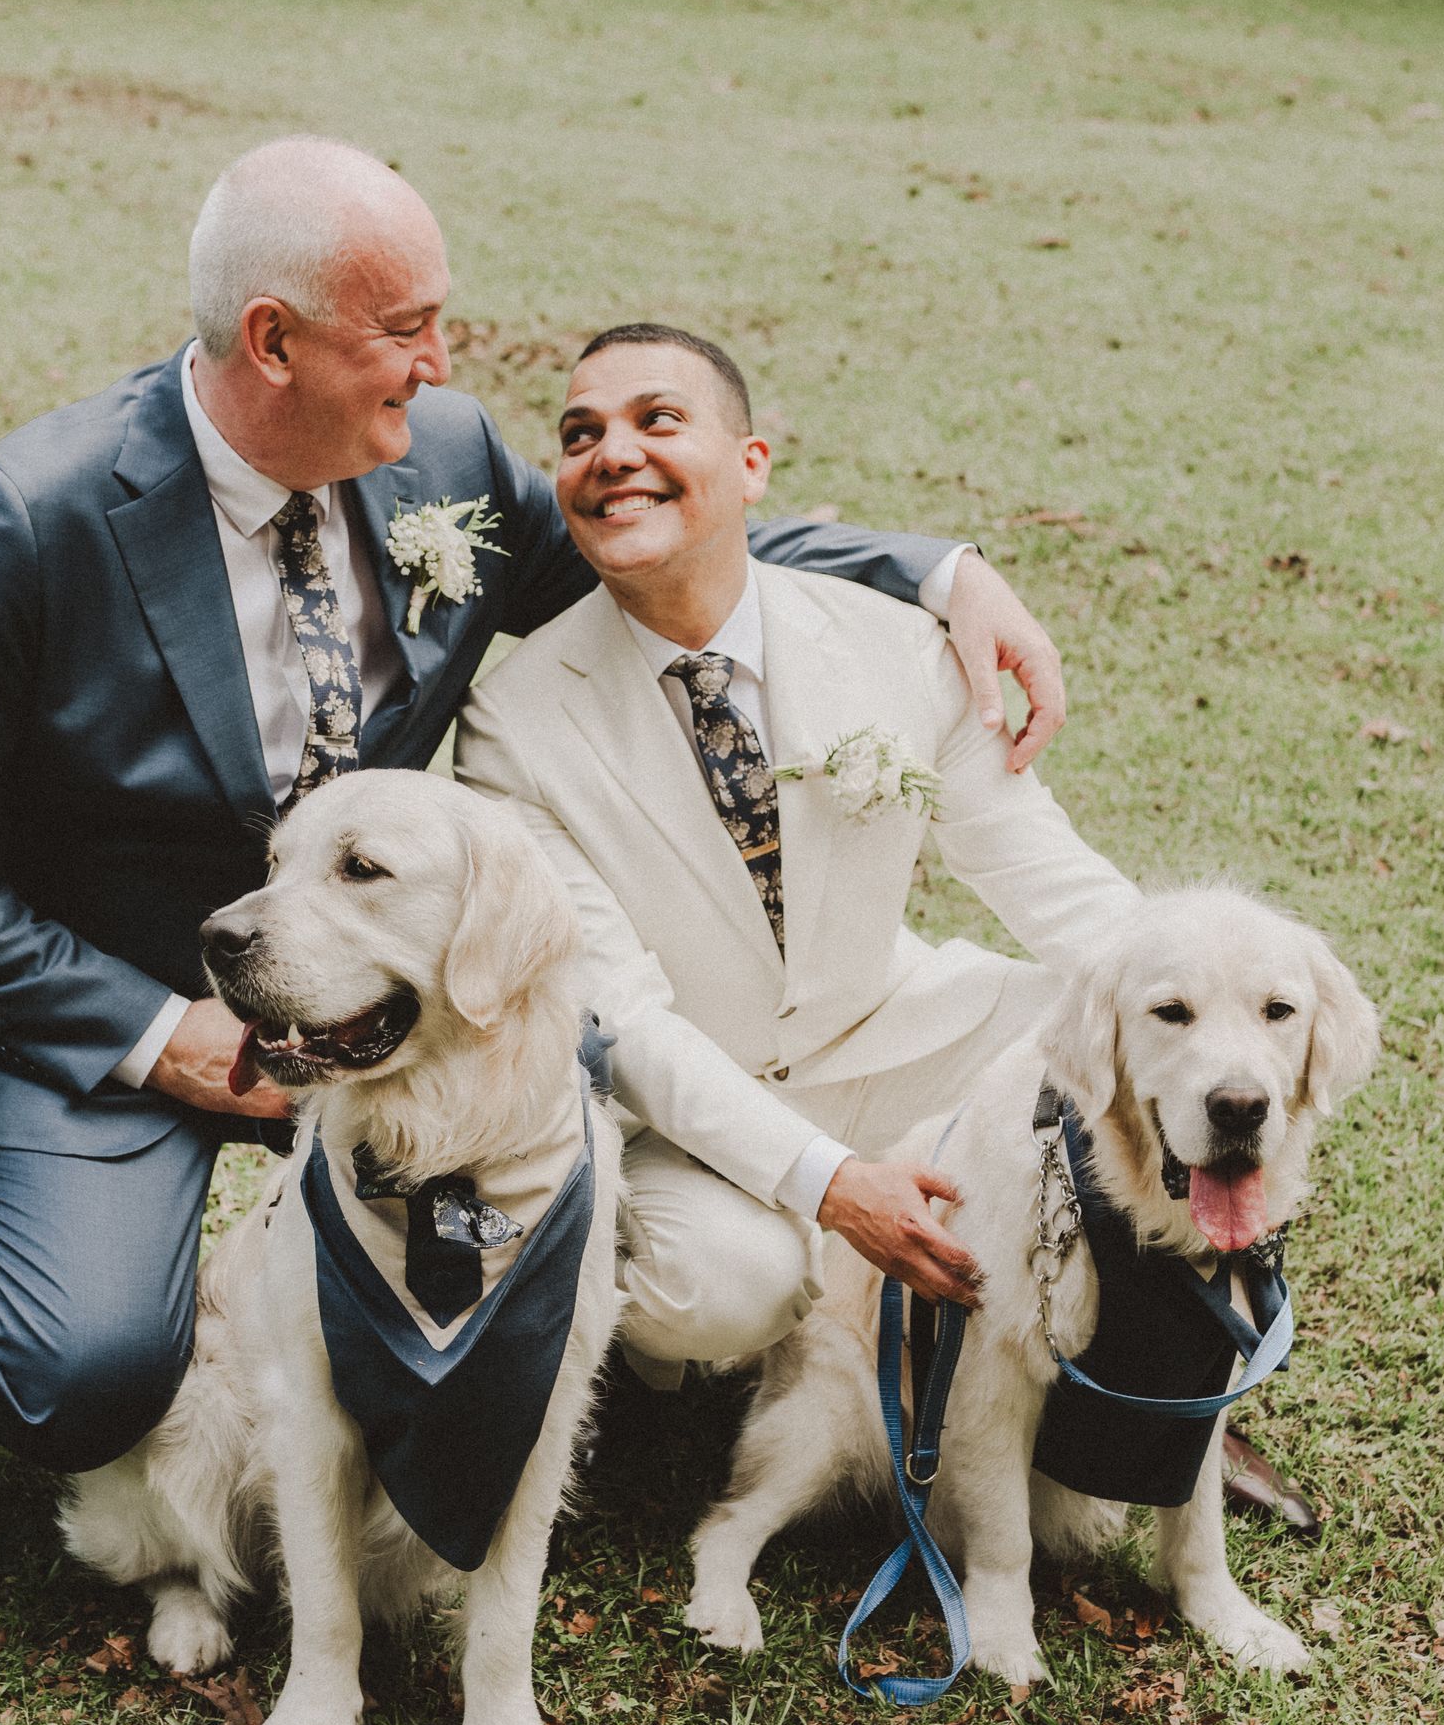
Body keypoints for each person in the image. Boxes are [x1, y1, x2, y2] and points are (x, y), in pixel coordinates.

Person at [0, 143, 1066, 1502]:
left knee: (580, 1198)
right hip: (121, 1006)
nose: (444, 362)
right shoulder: (31, 517)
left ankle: (1115, 1409)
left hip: (386, 986)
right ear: (272, 341)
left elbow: (658, 539)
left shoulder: (433, 454)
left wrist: (940, 571)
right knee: (80, 1376)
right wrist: (165, 1039)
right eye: (404, 330)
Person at [453, 320, 1138, 1385]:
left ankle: (1148, 1390)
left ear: (751, 464)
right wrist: (830, 1185)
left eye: (658, 420)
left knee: (1141, 1039)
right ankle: (712, 1325)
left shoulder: (897, 644)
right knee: (727, 1288)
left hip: (888, 1033)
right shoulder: (510, 724)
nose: (612, 454)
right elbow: (621, 1021)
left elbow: (1041, 874)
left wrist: (1211, 998)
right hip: (681, 1103)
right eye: (579, 435)